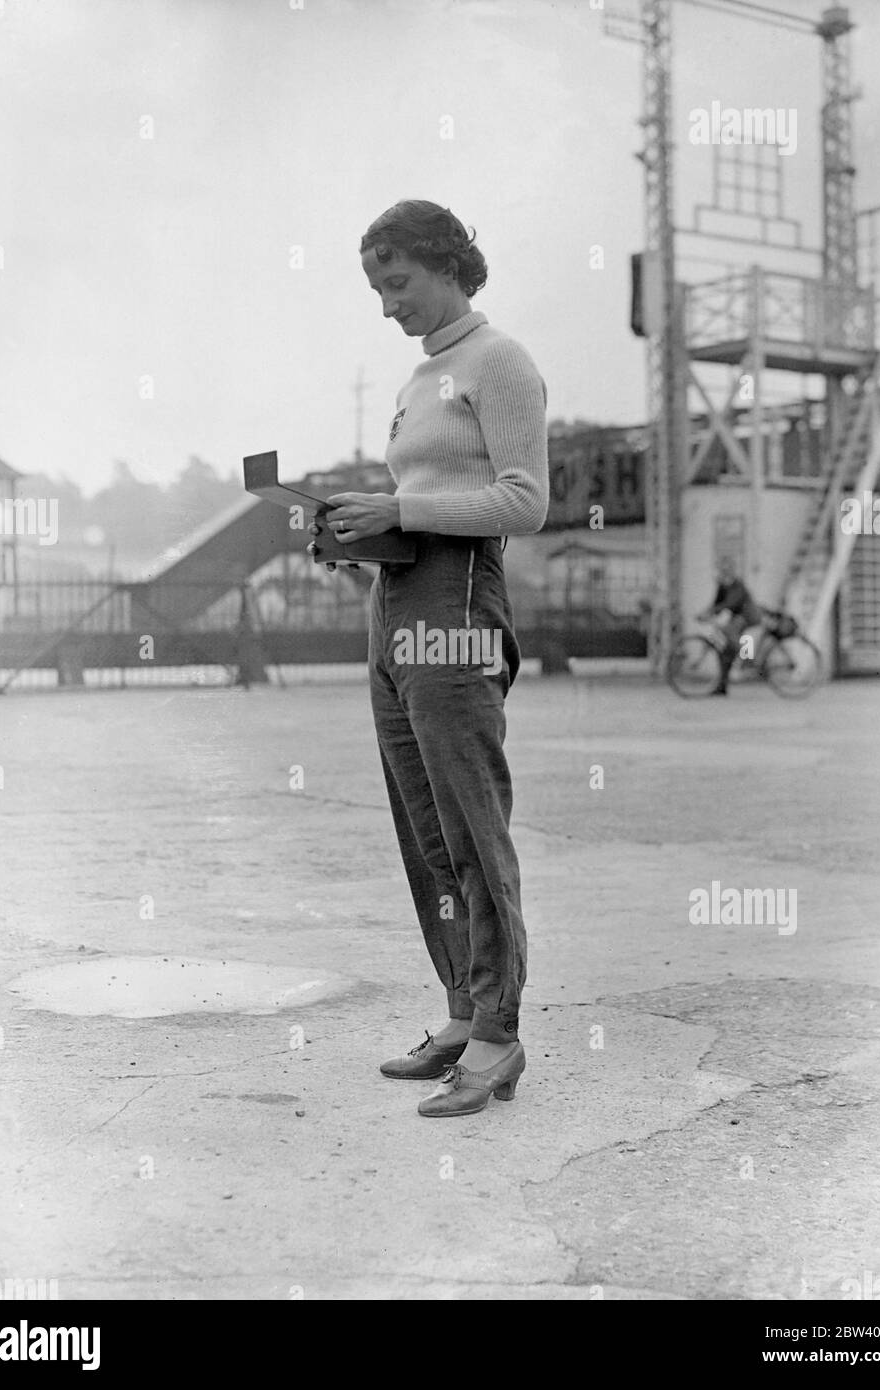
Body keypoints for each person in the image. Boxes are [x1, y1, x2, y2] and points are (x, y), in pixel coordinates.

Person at [312, 199, 548, 1117]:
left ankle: (499, 1034)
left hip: (457, 608)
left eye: (397, 282)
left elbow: (524, 502)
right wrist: (356, 531)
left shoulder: (500, 362)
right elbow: (426, 495)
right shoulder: (421, 379)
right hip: (395, 603)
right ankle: (461, 1007)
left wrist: (400, 512)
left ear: (450, 267)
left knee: (469, 824)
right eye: (375, 287)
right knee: (423, 828)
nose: (386, 304)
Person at [697, 555, 762, 695]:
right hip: (736, 617)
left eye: (726, 569)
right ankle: (722, 686)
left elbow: (731, 603)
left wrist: (712, 612)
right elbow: (716, 604)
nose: (723, 572)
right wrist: (705, 613)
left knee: (729, 631)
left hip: (747, 615)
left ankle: (749, 660)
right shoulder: (722, 586)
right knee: (725, 651)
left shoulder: (738, 585)